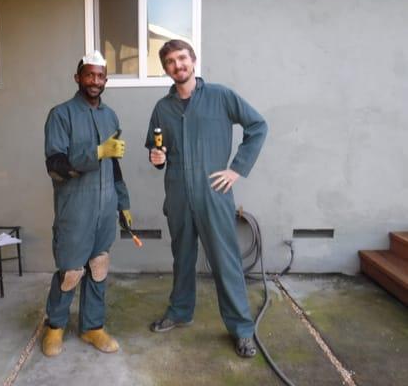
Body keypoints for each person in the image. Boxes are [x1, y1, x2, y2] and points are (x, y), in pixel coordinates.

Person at [145, 40, 267, 358]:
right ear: (165, 68)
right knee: (182, 258)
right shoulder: (163, 107)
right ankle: (180, 311)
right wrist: (156, 158)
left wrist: (236, 169)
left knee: (226, 262)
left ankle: (242, 330)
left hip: (214, 194)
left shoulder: (221, 96)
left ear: (194, 61)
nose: (177, 65)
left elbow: (258, 125)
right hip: (178, 194)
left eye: (182, 58)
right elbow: (156, 151)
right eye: (170, 61)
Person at [42, 51, 132, 356]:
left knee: (98, 267)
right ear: (78, 77)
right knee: (70, 272)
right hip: (75, 209)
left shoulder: (110, 117)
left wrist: (123, 202)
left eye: (101, 76)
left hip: (106, 208)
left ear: (106, 80)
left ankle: (92, 327)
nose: (95, 81)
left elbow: (115, 164)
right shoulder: (61, 115)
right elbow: (55, 164)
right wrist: (95, 153)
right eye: (90, 75)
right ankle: (55, 327)